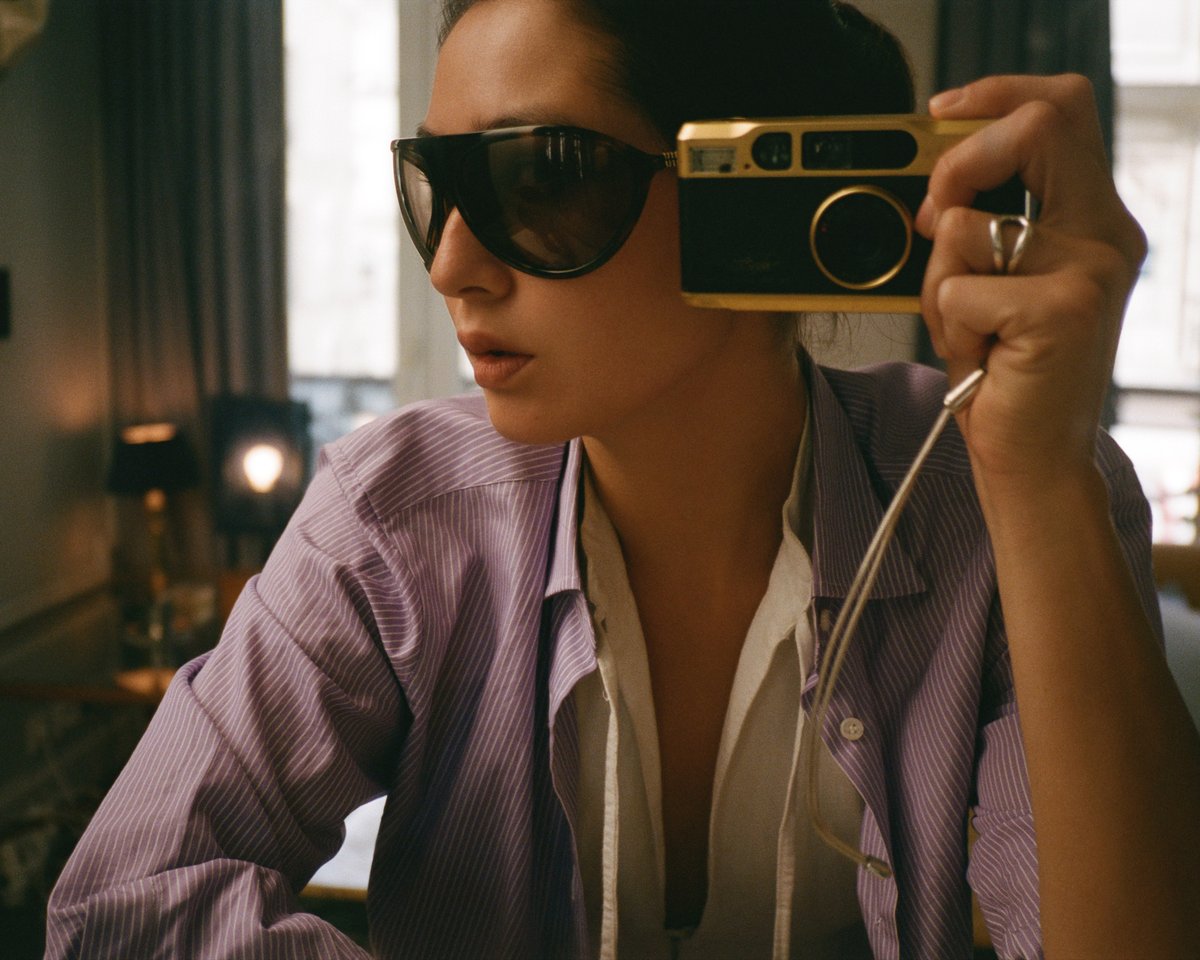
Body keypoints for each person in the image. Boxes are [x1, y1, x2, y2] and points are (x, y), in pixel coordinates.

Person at [46, 0, 1200, 957]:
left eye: (540, 176)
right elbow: (121, 909)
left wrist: (1040, 476)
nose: (454, 262)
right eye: (434, 183)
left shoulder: (1002, 497)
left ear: (750, 198)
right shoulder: (396, 520)